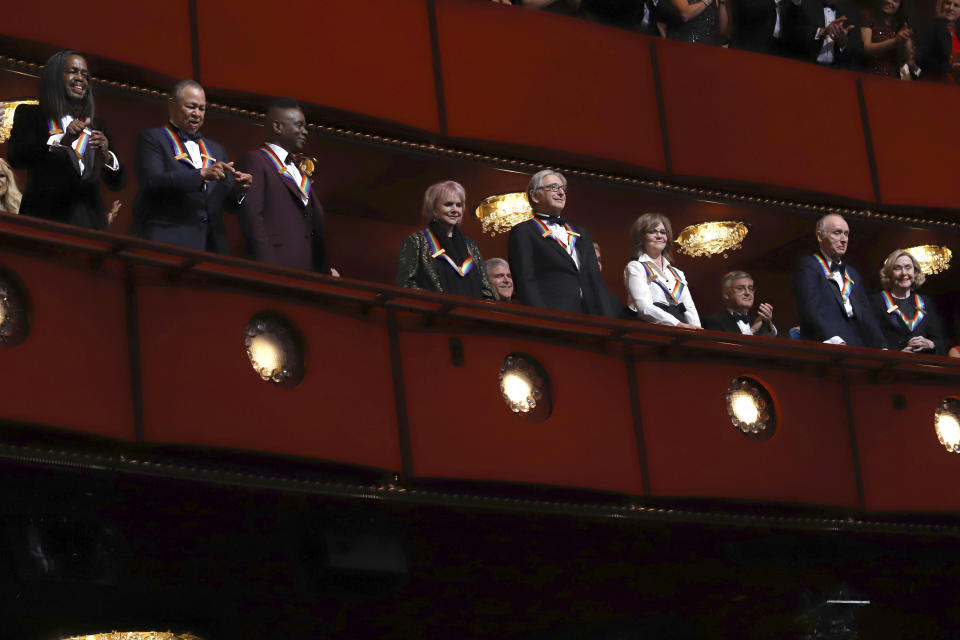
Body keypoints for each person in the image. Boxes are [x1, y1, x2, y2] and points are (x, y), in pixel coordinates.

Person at [8, 50, 125, 230]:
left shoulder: (97, 126)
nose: (80, 78)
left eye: (85, 75)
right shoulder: (31, 115)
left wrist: (107, 155)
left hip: (92, 228)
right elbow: (16, 157)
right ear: (55, 77)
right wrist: (61, 142)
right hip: (45, 223)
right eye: (73, 71)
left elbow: (118, 183)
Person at [132, 80, 252, 253]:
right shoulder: (152, 138)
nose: (197, 114)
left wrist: (240, 190)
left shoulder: (217, 150)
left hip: (212, 247)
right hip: (168, 241)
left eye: (202, 109)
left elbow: (228, 204)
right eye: (191, 107)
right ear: (172, 105)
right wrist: (201, 174)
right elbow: (153, 181)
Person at [237, 98, 336, 275]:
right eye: (299, 125)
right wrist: (268, 269)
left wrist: (323, 271)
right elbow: (253, 218)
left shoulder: (298, 169)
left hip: (307, 274)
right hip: (276, 270)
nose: (305, 132)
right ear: (277, 127)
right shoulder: (256, 161)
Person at [508, 170, 614, 316]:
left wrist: (607, 319)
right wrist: (540, 318)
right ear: (534, 195)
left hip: (589, 316)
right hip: (553, 316)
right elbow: (525, 280)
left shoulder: (581, 232)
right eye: (553, 187)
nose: (561, 193)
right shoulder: (524, 231)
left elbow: (595, 279)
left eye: (563, 189)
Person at [792, 214, 885, 347]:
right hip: (826, 345)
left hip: (857, 346)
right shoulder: (808, 265)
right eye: (837, 233)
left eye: (846, 234)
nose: (844, 239)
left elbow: (867, 316)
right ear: (820, 236)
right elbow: (809, 308)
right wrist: (832, 338)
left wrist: (883, 347)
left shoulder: (852, 273)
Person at [396, 181, 494, 299]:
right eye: (448, 204)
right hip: (435, 314)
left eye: (458, 205)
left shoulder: (470, 246)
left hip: (471, 315)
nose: (455, 210)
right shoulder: (417, 241)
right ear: (434, 209)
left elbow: (486, 290)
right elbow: (406, 285)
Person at [623, 213, 701, 329]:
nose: (659, 236)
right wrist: (677, 324)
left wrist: (697, 332)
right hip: (655, 329)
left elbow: (689, 308)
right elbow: (644, 308)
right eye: (652, 231)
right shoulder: (635, 267)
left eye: (663, 232)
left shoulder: (677, 273)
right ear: (641, 237)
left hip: (682, 329)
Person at [870, 249, 946, 354]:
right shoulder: (877, 301)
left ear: (914, 272)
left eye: (908, 267)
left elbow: (941, 343)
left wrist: (930, 344)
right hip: (892, 366)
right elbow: (872, 340)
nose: (904, 273)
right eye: (897, 268)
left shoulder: (925, 302)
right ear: (889, 274)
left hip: (923, 366)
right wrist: (898, 352)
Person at [782, 0, 865, 68]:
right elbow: (791, 34)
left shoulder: (851, 10)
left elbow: (858, 50)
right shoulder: (803, 3)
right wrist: (822, 31)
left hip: (837, 74)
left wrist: (843, 43)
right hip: (804, 68)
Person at [702, 270, 777, 336]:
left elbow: (780, 348)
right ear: (726, 294)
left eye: (751, 288)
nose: (748, 293)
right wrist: (752, 330)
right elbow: (724, 349)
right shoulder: (713, 321)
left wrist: (769, 325)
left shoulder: (758, 322)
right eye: (740, 288)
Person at [861, 0, 914, 78]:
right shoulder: (868, 16)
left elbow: (906, 58)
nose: (889, 1)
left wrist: (905, 40)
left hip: (896, 77)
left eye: (895, 0)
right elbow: (866, 47)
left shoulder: (902, 23)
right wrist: (894, 41)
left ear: (901, 5)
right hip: (872, 75)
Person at [912, 0, 960, 81]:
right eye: (948, 3)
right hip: (931, 83)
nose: (951, 8)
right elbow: (921, 58)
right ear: (942, 5)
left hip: (952, 86)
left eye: (956, 5)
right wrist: (950, 68)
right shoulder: (931, 26)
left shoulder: (957, 33)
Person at [665, 0, 730, 44]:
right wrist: (707, 1)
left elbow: (723, 30)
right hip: (684, 46)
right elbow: (685, 14)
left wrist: (722, 2)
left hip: (710, 47)